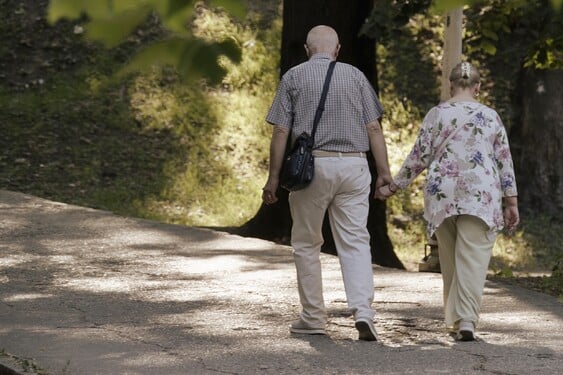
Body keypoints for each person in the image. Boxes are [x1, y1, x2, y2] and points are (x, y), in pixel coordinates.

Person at [261, 25, 393, 341]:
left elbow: (280, 132)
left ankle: (313, 317)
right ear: (337, 50)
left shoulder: (293, 77)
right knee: (356, 241)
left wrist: (274, 178)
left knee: (307, 242)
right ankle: (363, 311)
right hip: (354, 166)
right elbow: (374, 129)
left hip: (312, 168)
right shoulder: (356, 76)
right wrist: (384, 174)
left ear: (307, 50)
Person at [377, 62, 520, 341]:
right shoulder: (491, 117)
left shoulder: (436, 114)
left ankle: (454, 320)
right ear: (478, 87)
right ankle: (466, 319)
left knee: (450, 257)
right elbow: (504, 160)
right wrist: (511, 201)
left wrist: (394, 186)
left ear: (450, 84)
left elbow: (419, 156)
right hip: (480, 194)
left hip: (444, 193)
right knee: (474, 258)